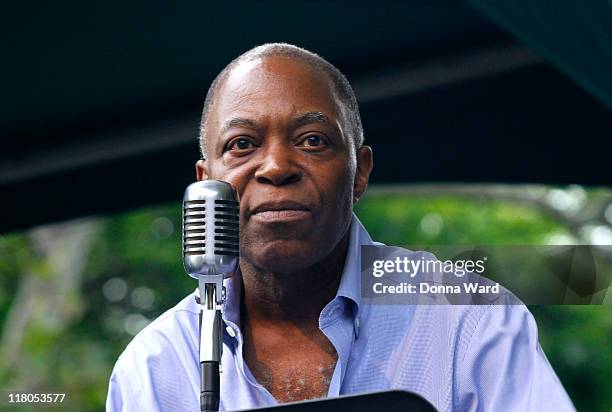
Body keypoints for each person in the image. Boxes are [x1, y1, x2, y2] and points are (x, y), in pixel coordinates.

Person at [106, 43, 574, 411]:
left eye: (312, 140)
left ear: (360, 172)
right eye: (242, 144)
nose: (276, 166)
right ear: (206, 185)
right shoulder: (155, 367)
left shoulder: (471, 320)